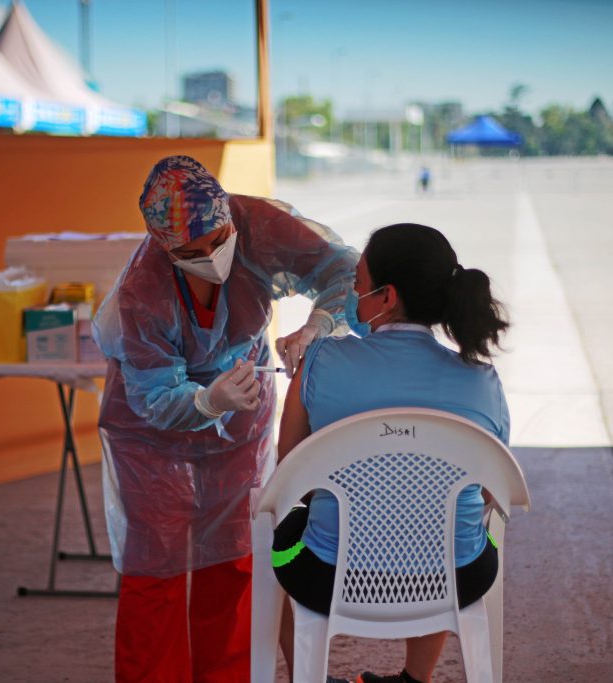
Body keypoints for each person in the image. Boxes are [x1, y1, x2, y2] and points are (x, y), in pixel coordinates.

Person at [93, 155, 357, 682]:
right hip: (150, 438)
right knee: (156, 568)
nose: (213, 258)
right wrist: (205, 402)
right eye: (192, 253)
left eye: (218, 239)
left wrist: (318, 324)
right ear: (163, 247)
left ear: (229, 215)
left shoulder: (258, 226)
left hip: (242, 417)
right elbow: (155, 398)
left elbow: (348, 271)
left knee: (234, 555)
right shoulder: (142, 291)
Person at [273, 223, 511, 683]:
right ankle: (414, 680)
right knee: (456, 526)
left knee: (278, 544)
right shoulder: (482, 381)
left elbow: (291, 475)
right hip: (455, 578)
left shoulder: (319, 362)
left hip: (329, 576)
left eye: (358, 283)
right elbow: (486, 492)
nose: (352, 293)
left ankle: (311, 677)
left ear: (386, 297)